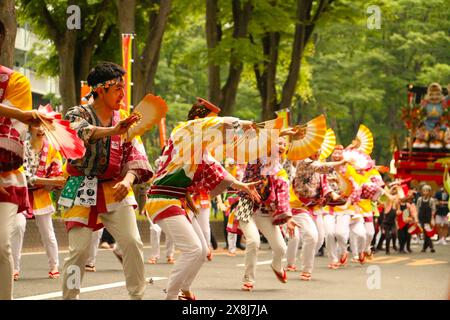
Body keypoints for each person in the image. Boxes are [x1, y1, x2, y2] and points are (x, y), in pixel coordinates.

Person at [145, 97, 262, 300]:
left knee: (201, 250)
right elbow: (216, 124)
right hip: (162, 198)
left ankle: (184, 288)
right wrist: (243, 123)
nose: (217, 131)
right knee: (193, 249)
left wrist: (241, 185)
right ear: (199, 119)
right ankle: (171, 296)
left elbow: (218, 170)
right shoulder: (186, 130)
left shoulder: (199, 148)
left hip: (177, 200)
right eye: (211, 121)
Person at [59, 62, 154, 300]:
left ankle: (137, 296)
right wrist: (114, 131)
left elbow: (136, 155)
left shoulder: (124, 118)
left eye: (123, 87)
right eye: (118, 88)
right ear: (100, 89)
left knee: (132, 242)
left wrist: (129, 180)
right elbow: (81, 132)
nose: (123, 94)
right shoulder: (76, 113)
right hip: (79, 184)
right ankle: (69, 297)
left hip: (115, 185)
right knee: (78, 251)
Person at [0, 18, 48, 300]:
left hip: (4, 177)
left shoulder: (15, 81)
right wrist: (18, 114)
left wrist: (18, 115)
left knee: (1, 245)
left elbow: (11, 137)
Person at [237, 136, 298, 291]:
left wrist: (289, 219)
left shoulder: (281, 173)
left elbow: (284, 198)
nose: (282, 146)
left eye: (285, 144)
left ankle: (277, 266)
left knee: (281, 248)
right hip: (248, 208)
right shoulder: (255, 161)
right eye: (279, 142)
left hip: (266, 213)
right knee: (253, 241)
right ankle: (248, 279)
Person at [10, 124, 65, 280]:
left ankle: (54, 265)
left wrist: (55, 182)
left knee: (47, 232)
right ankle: (14, 267)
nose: (40, 129)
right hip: (23, 192)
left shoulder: (53, 150)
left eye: (43, 126)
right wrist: (45, 180)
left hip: (41, 195)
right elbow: (24, 175)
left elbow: (56, 174)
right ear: (29, 129)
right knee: (18, 227)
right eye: (36, 125)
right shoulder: (22, 147)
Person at [416, 185, 437, 253]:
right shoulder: (419, 199)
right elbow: (417, 209)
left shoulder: (431, 200)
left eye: (427, 191)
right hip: (421, 218)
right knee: (424, 233)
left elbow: (433, 210)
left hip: (428, 219)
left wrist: (432, 219)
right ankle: (430, 247)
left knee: (427, 233)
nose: (425, 192)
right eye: (424, 190)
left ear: (429, 192)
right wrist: (416, 218)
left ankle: (427, 248)